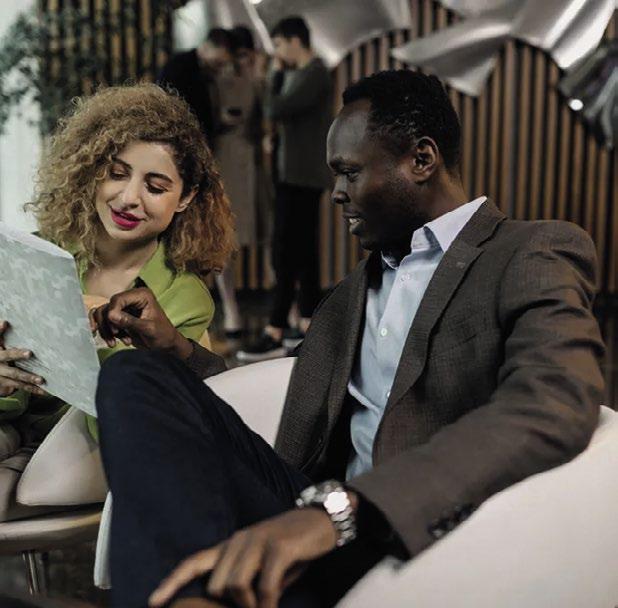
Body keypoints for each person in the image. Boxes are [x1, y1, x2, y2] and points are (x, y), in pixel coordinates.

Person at [92, 70, 604, 608]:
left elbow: (555, 402)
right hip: (309, 511)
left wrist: (343, 510)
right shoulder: (352, 291)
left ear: (421, 160)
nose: (336, 193)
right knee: (135, 374)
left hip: (414, 535)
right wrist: (173, 348)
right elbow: (286, 389)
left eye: (349, 173)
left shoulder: (529, 251)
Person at [0, 83, 234, 521]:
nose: (129, 198)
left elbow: (132, 420)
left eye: (155, 187)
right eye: (116, 173)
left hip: (81, 452)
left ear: (185, 198)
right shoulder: (39, 255)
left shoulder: (182, 297)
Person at [237, 16, 333, 361]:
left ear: (294, 40)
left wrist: (272, 75)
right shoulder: (300, 74)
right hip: (290, 175)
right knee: (301, 252)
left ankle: (276, 329)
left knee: (288, 251)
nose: (276, 51)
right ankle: (304, 323)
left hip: (303, 176)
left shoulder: (315, 73)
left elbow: (275, 107)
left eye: (278, 43)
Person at [212, 26, 265, 338]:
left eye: (246, 55)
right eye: (238, 55)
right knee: (225, 236)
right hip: (225, 161)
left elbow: (265, 119)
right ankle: (231, 309)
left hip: (253, 164)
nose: (240, 61)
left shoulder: (258, 81)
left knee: (263, 234)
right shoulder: (219, 79)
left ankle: (286, 309)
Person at [158, 28, 236, 145]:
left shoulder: (207, 70)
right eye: (218, 63)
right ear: (207, 46)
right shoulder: (179, 66)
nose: (220, 69)